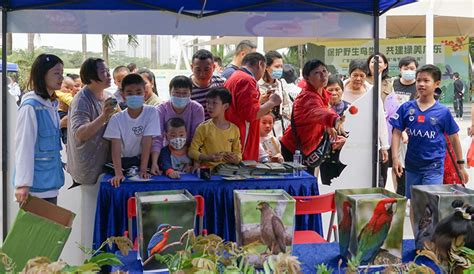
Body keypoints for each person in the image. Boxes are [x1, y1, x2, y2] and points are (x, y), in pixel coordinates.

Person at [391, 65, 468, 199]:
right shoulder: (406, 108)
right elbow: (396, 132)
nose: (421, 84)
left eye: (426, 81)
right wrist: (395, 159)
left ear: (436, 84)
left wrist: (461, 166)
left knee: (429, 205)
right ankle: (417, 222)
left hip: (434, 167)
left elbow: (454, 138)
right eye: (419, 80)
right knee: (415, 203)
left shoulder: (443, 112)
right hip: (412, 166)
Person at [14, 54, 65, 204]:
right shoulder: (31, 106)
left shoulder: (51, 105)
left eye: (61, 73)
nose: (61, 77)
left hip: (50, 182)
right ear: (42, 75)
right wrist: (23, 184)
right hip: (34, 188)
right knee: (35, 228)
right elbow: (24, 146)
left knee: (50, 228)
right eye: (56, 73)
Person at [280, 60, 342, 175]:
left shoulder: (322, 93)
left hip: (307, 149)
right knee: (299, 185)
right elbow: (318, 112)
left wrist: (328, 125)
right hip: (294, 150)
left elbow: (321, 113)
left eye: (324, 71)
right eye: (317, 73)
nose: (323, 75)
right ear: (307, 78)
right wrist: (334, 120)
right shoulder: (308, 98)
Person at [103, 74, 160, 187]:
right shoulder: (116, 119)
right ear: (123, 96)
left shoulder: (151, 112)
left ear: (145, 93)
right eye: (129, 93)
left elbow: (147, 142)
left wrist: (143, 169)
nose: (134, 96)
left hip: (142, 161)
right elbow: (115, 147)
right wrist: (118, 173)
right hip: (123, 162)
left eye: (139, 92)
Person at [225, 52, 282, 161]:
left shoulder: (235, 76)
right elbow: (251, 114)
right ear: (260, 64)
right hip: (242, 137)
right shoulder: (247, 80)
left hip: (234, 133)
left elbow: (240, 106)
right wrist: (272, 102)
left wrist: (260, 102)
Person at [67, 57, 114, 186]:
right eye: (104, 71)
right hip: (87, 167)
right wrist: (104, 116)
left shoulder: (110, 96)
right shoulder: (81, 100)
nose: (109, 75)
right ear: (91, 76)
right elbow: (80, 134)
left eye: (108, 70)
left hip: (106, 165)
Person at [150, 75, 205, 175]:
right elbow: (157, 138)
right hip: (169, 150)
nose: (181, 97)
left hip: (190, 151)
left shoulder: (197, 109)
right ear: (170, 92)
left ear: (190, 93)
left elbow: (197, 138)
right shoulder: (161, 109)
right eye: (177, 93)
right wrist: (154, 163)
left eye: (184, 93)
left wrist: (196, 163)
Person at [343, 59, 389, 165]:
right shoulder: (340, 89)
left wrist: (384, 146)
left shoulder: (372, 92)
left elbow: (380, 119)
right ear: (349, 74)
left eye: (362, 75)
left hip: (365, 142)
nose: (358, 79)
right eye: (355, 75)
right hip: (342, 141)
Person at [189, 88, 242, 169]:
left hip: (228, 172)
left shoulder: (234, 129)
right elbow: (192, 151)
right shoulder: (203, 128)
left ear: (226, 106)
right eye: (208, 102)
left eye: (214, 103)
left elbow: (238, 154)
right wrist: (207, 158)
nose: (209, 106)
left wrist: (236, 159)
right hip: (208, 172)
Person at [391, 56, 418, 195]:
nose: (409, 71)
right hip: (393, 128)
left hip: (411, 132)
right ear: (400, 69)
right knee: (396, 164)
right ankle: (398, 194)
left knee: (409, 165)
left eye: (412, 68)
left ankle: (409, 195)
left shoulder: (418, 86)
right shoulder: (392, 85)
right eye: (406, 68)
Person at [367, 53, 395, 188]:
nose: (376, 64)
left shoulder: (389, 84)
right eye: (373, 62)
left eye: (379, 62)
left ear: (385, 65)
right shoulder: (363, 81)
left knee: (383, 168)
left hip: (385, 129)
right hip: (366, 128)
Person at [319, 75, 349, 185]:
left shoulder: (350, 109)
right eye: (330, 90)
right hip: (326, 158)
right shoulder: (320, 110)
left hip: (345, 158)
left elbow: (358, 133)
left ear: (342, 90)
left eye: (337, 89)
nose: (334, 93)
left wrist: (346, 141)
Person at [258, 50, 292, 138]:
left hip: (280, 129)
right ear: (266, 67)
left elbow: (287, 107)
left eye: (281, 67)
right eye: (276, 66)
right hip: (263, 129)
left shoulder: (281, 84)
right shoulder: (257, 84)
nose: (279, 70)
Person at [190, 49, 225, 119]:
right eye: (198, 69)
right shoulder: (186, 88)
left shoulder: (221, 83)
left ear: (214, 67)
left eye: (206, 69)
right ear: (192, 67)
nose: (202, 74)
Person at [56, 76, 76, 144]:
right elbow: (70, 101)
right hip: (61, 113)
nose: (69, 90)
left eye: (71, 89)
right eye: (66, 87)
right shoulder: (59, 93)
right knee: (66, 129)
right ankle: (67, 141)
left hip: (62, 113)